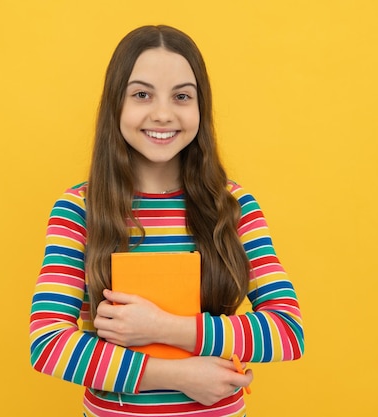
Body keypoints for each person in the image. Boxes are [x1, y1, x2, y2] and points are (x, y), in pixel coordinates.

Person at [29, 24, 304, 416]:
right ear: (115, 105)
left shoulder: (234, 205)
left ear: (200, 107)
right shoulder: (79, 209)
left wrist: (163, 328)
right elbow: (49, 344)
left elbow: (287, 332)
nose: (162, 114)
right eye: (142, 94)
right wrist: (178, 375)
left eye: (181, 97)